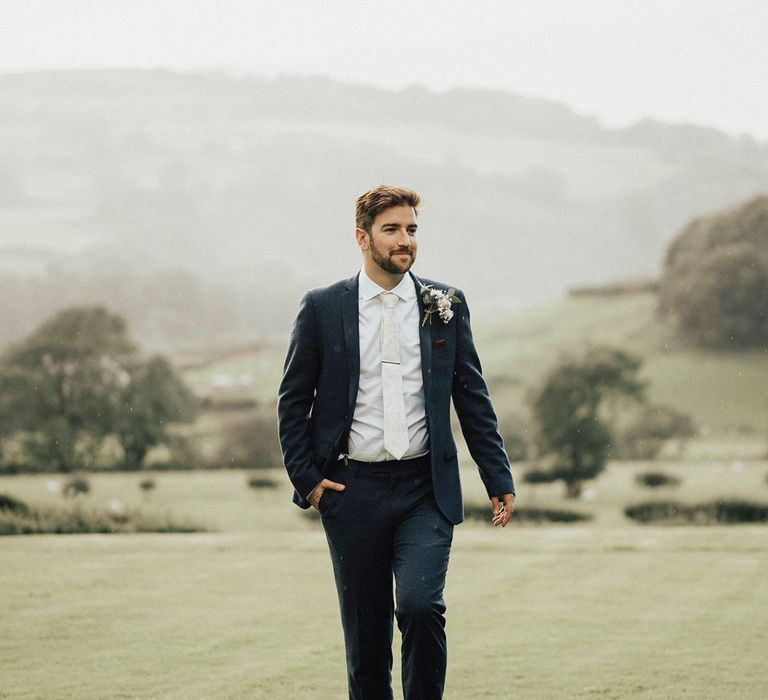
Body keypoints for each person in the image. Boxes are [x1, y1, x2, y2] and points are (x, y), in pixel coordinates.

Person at [277, 184, 516, 699]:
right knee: (366, 643)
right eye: (392, 230)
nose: (405, 240)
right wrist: (310, 482)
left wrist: (496, 475)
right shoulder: (322, 308)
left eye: (411, 229)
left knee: (420, 607)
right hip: (350, 490)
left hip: (423, 488)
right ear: (362, 238)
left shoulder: (445, 304)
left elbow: (471, 395)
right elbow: (293, 401)